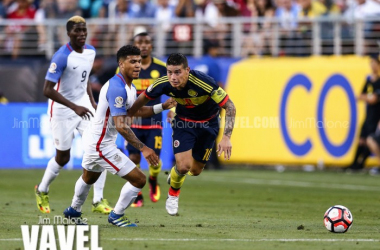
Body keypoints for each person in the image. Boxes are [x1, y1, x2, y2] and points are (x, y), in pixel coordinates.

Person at [63, 45, 175, 227]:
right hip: (101, 144)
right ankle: (116, 215)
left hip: (95, 139)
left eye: (139, 61)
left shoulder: (128, 86)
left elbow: (133, 112)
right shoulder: (117, 88)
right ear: (121, 64)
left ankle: (73, 210)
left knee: (89, 177)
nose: (138, 65)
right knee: (139, 179)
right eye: (132, 62)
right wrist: (144, 148)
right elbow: (122, 125)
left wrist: (161, 107)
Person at [128, 53, 236, 216]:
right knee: (184, 166)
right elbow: (140, 101)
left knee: (195, 170)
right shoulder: (163, 83)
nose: (173, 77)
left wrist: (226, 137)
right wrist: (126, 114)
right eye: (170, 72)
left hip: (208, 124)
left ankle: (174, 175)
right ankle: (173, 194)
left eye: (177, 72)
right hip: (183, 123)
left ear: (187, 70)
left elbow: (230, 106)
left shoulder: (204, 82)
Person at [34, 16, 112, 215]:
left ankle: (98, 200)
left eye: (84, 30)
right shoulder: (61, 56)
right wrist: (74, 106)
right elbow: (47, 90)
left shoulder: (91, 51)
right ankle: (42, 189)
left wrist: (91, 101)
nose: (82, 34)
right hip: (62, 109)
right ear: (68, 33)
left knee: (99, 148)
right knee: (63, 157)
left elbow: (83, 78)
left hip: (83, 105)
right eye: (77, 31)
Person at [116, 32, 167, 207]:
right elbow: (119, 91)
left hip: (154, 121)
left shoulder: (161, 68)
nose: (144, 45)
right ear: (135, 45)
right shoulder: (125, 68)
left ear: (151, 45)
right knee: (133, 158)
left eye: (147, 42)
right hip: (133, 122)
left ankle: (153, 180)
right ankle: (136, 193)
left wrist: (173, 109)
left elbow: (173, 90)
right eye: (140, 42)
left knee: (154, 160)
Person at [347, 54, 380, 171]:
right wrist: (369, 97)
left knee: (369, 140)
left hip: (375, 117)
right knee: (361, 140)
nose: (372, 66)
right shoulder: (369, 80)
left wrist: (367, 97)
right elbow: (360, 96)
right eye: (371, 64)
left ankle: (360, 164)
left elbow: (374, 99)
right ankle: (354, 163)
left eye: (374, 64)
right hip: (368, 116)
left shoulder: (379, 82)